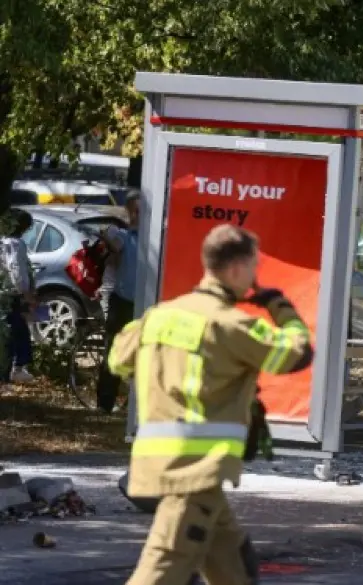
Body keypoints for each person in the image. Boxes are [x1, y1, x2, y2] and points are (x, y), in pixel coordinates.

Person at [107, 224, 313, 585]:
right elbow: (297, 354)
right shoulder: (231, 324)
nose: (254, 276)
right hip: (196, 467)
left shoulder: (158, 316)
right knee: (164, 565)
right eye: (253, 267)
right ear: (236, 269)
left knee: (233, 563)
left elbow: (117, 360)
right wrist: (281, 308)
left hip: (158, 460)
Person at [95, 189, 140, 412]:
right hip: (122, 302)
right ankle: (105, 404)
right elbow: (107, 233)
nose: (138, 215)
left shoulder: (155, 240)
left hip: (145, 303)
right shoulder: (125, 236)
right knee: (113, 351)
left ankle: (135, 405)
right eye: (135, 210)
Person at [1, 209, 36, 383]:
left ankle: (13, 370)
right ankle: (15, 369)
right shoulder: (15, 244)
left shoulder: (4, 242)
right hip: (11, 295)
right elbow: (17, 270)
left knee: (12, 332)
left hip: (5, 293)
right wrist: (26, 293)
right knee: (17, 332)